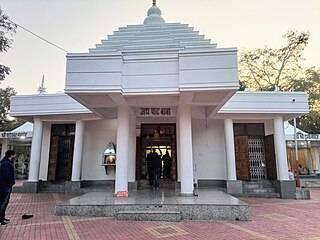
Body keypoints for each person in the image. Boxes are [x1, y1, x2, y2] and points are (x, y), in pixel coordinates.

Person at [0, 150, 16, 227]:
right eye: (14, 155)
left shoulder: (6, 162)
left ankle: (2, 217)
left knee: (5, 202)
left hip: (6, 185)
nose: (14, 156)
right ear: (11, 155)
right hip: (5, 185)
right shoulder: (6, 163)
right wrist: (11, 181)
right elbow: (5, 174)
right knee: (3, 202)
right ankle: (0, 219)